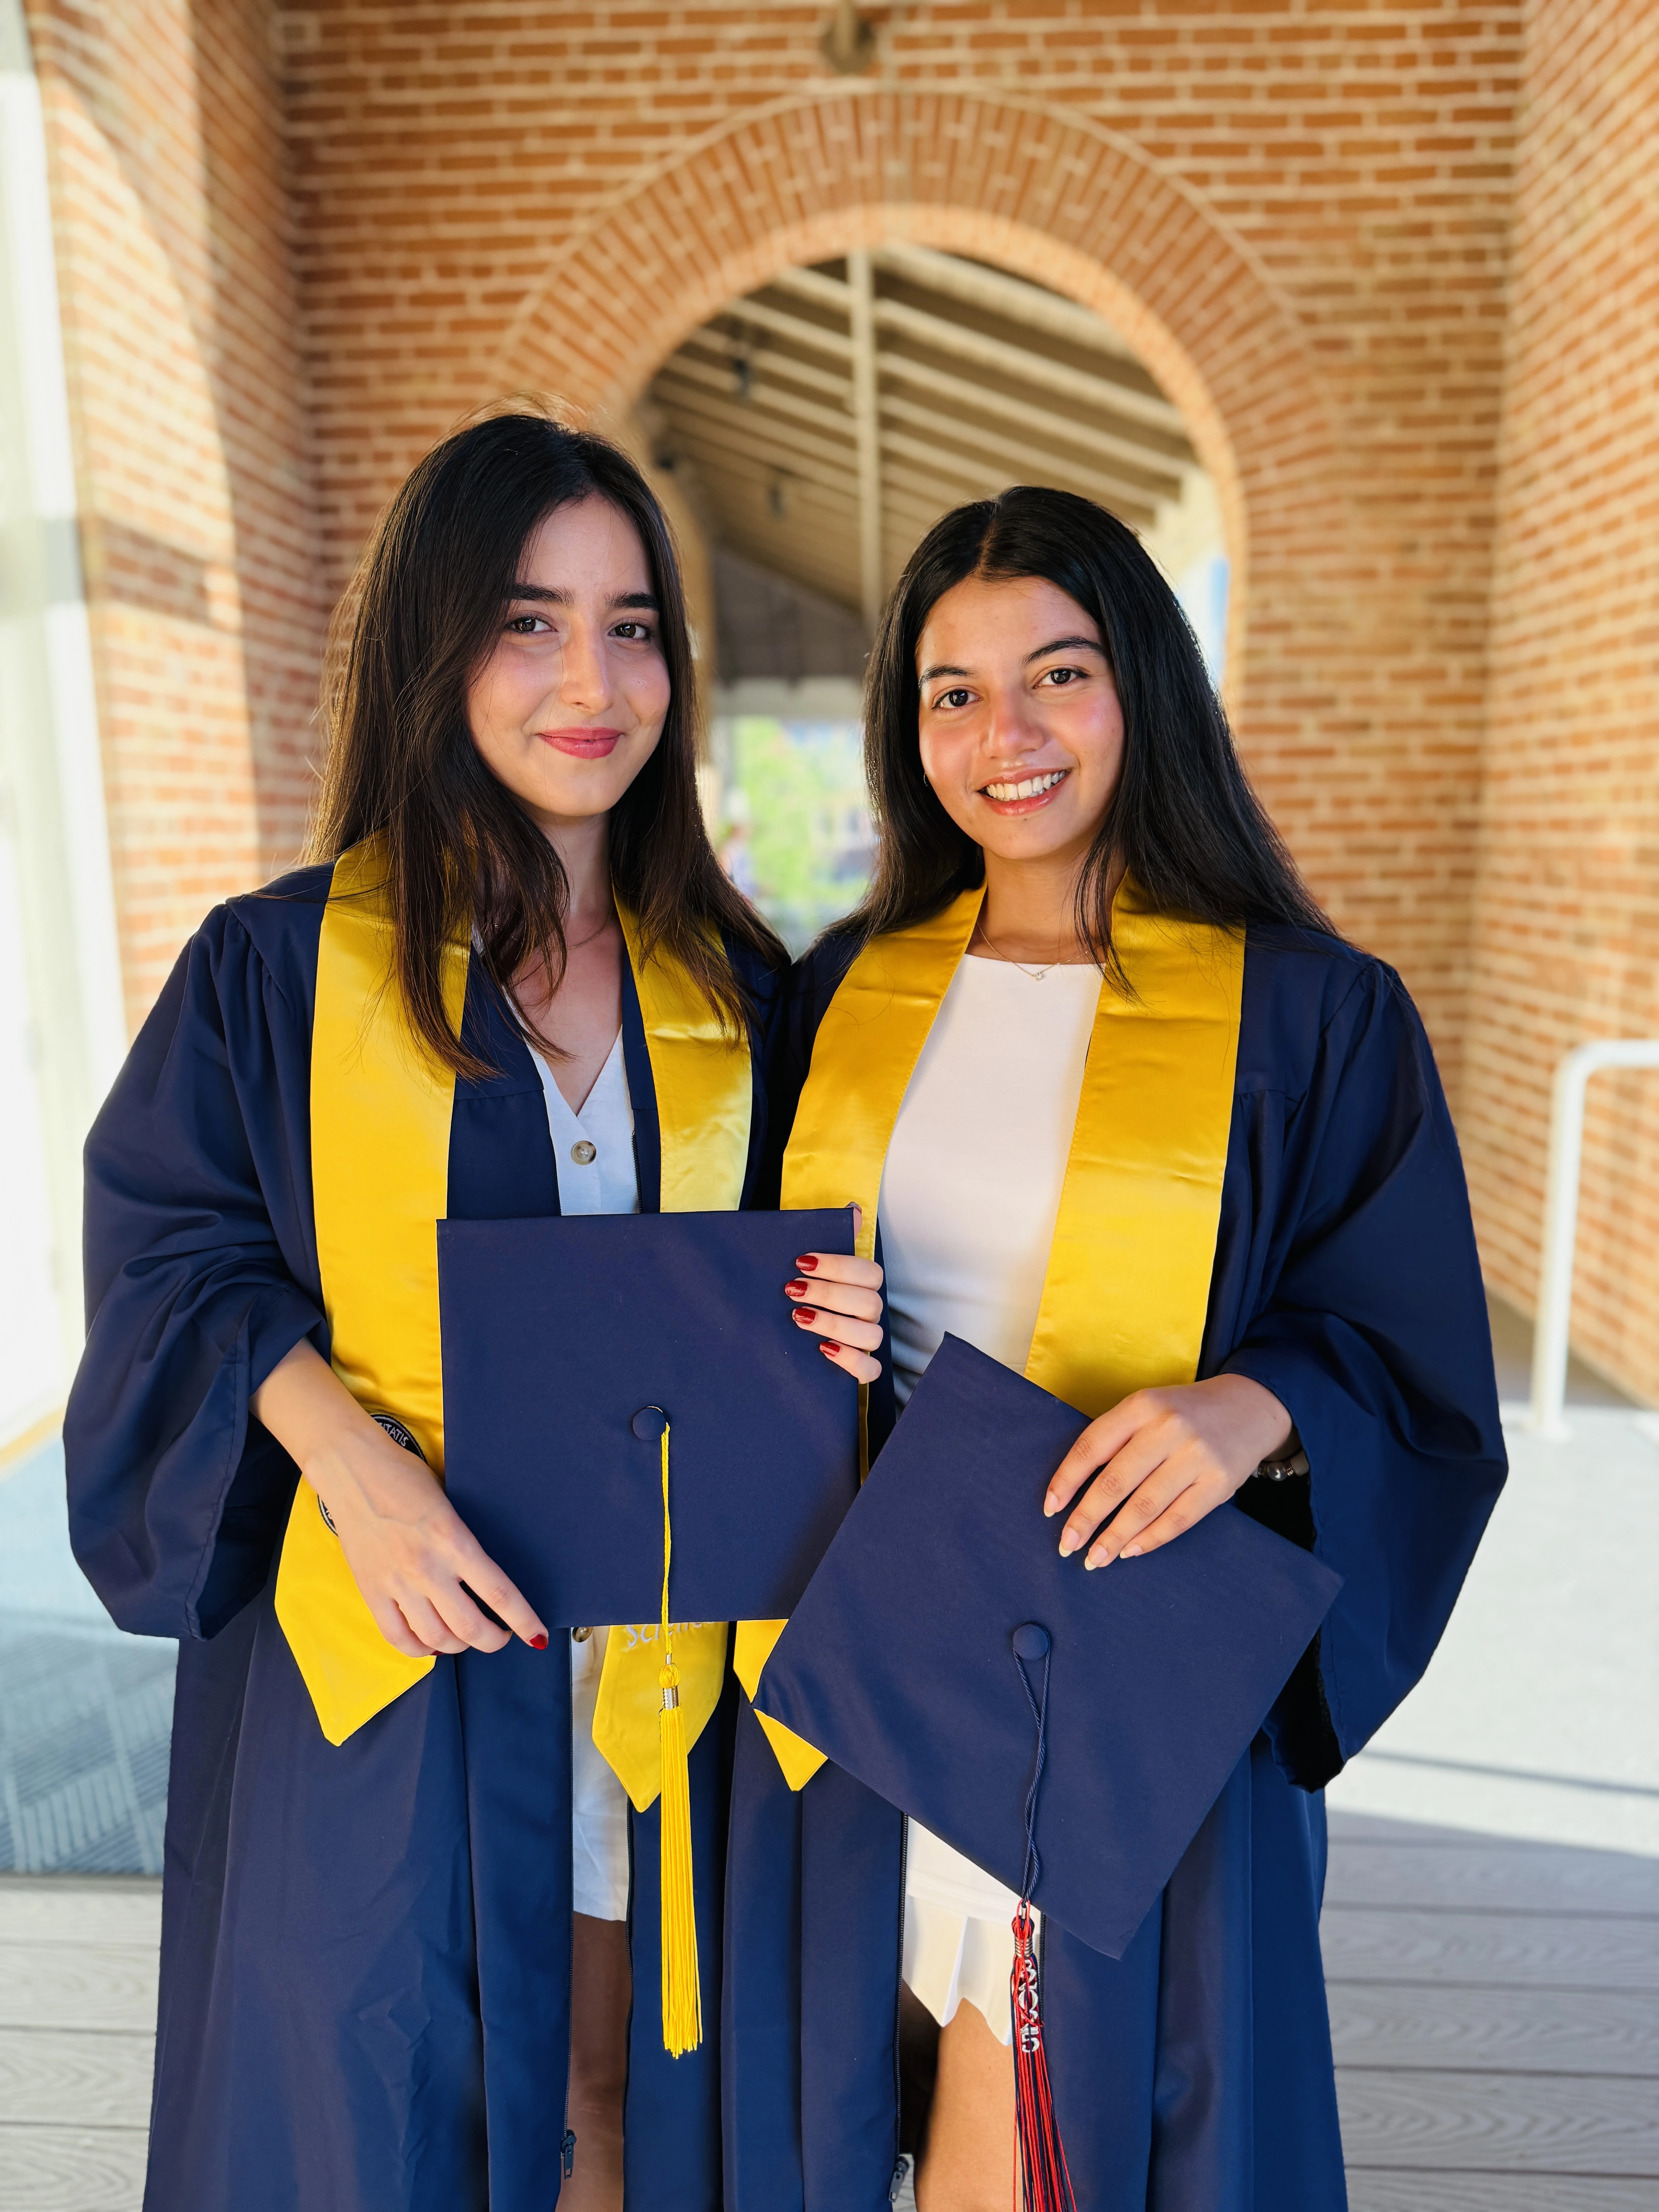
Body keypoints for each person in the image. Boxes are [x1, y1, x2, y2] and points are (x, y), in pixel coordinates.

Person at [63, 412, 883, 2212]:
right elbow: (167, 1266)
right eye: (527, 621)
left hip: (668, 1676)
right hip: (395, 1654)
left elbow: (810, 1307)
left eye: (633, 623)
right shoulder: (280, 967)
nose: (591, 680)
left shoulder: (752, 993)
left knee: (622, 2094)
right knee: (377, 2101)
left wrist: (847, 1333)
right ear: (435, 648)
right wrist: (353, 1465)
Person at [748, 486, 1506, 2209]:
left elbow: (1408, 1352)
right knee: (932, 2061)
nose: (1003, 734)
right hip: (881, 1623)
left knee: (1079, 2102)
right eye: (951, 692)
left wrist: (1255, 1407)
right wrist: (822, 1338)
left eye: (1058, 675)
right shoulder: (841, 991)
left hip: (1133, 1633)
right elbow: (760, 1302)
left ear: (1144, 687)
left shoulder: (1310, 1013)